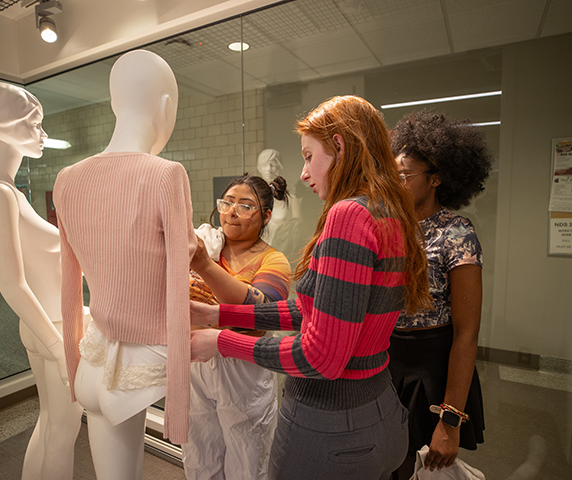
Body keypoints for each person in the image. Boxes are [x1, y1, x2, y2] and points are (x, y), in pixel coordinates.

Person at [190, 95, 432, 480]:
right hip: (380, 413)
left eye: (307, 155)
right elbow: (315, 311)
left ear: (339, 145)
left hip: (332, 429)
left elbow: (321, 357)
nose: (303, 173)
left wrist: (218, 341)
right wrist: (219, 314)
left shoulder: (349, 214)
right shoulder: (390, 210)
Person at [52, 50, 196, 480]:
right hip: (143, 364)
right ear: (166, 106)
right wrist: (179, 411)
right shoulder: (166, 174)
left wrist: (71, 364)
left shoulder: (67, 178)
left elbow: (68, 287)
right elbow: (176, 292)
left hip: (93, 357)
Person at [0, 81, 84, 480]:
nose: (43, 133)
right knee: (63, 431)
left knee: (51, 424)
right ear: (4, 126)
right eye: (34, 124)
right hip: (52, 327)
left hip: (46, 322)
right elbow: (11, 283)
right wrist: (58, 347)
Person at [388, 109, 491, 479]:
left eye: (404, 177)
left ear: (435, 179)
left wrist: (449, 422)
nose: (394, 184)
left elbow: (466, 333)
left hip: (432, 365)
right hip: (388, 359)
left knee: (422, 467)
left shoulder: (456, 233)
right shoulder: (387, 227)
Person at [183, 174, 292, 480]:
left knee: (248, 460)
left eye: (245, 206)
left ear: (266, 216)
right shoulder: (206, 243)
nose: (231, 211)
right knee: (200, 455)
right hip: (196, 364)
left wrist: (204, 266)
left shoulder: (273, 260)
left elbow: (261, 317)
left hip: (244, 371)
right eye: (227, 202)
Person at [255, 149, 302, 257]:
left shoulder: (290, 199)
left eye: (273, 165)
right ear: (259, 168)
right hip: (257, 256)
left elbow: (297, 230)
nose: (269, 169)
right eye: (265, 165)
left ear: (279, 167)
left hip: (281, 255)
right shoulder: (253, 198)